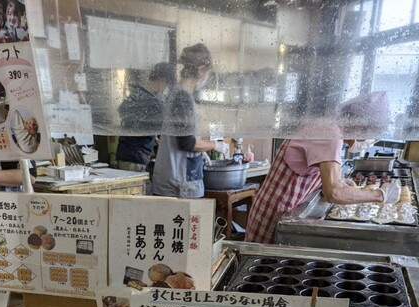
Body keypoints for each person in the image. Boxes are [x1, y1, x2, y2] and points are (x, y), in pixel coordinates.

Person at [245, 91, 401, 244]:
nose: (364, 140)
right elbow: (333, 193)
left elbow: (317, 173)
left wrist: (340, 182)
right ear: (359, 125)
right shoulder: (330, 134)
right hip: (275, 214)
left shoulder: (326, 125)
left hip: (278, 209)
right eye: (367, 134)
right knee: (262, 257)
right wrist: (381, 195)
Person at [152, 43, 228, 198]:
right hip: (178, 183)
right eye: (207, 71)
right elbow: (187, 142)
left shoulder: (177, 93)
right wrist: (215, 145)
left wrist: (201, 151)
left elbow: (182, 135)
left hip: (174, 177)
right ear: (200, 69)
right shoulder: (183, 97)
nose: (207, 76)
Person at [116, 62, 176, 173]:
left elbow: (122, 110)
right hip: (136, 159)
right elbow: (166, 129)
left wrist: (153, 137)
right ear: (162, 80)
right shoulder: (154, 103)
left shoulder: (137, 93)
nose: (165, 89)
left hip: (123, 153)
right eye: (167, 84)